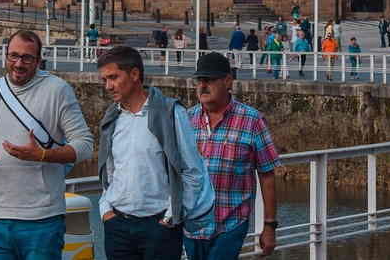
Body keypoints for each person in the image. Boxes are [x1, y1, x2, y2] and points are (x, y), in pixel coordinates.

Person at [0, 30, 94, 259]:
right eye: (13, 56)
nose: (18, 63)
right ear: (5, 56)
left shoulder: (58, 90)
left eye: (27, 58)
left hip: (42, 221)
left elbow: (85, 145)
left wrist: (43, 155)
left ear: (38, 60)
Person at [95, 45, 212, 259]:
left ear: (134, 74)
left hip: (159, 228)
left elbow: (192, 170)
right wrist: (106, 210)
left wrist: (171, 216)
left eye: (113, 77)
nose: (108, 86)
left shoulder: (171, 113)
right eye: (104, 80)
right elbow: (109, 171)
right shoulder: (112, 117)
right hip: (117, 226)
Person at [184, 52, 281, 259]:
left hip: (231, 223)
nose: (202, 86)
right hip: (192, 226)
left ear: (227, 81)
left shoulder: (252, 120)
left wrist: (270, 226)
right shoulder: (186, 119)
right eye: (199, 80)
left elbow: (267, 174)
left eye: (209, 80)